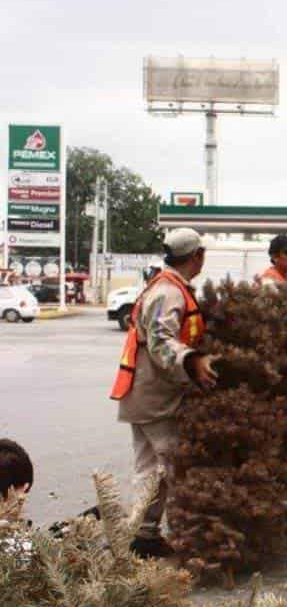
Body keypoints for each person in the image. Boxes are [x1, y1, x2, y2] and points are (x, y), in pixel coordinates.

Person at [110, 227, 218, 559]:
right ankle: (184, 536)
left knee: (148, 468)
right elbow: (160, 341)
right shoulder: (169, 293)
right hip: (155, 397)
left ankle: (142, 536)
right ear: (196, 256)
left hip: (144, 393)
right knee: (174, 466)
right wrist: (192, 360)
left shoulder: (168, 287)